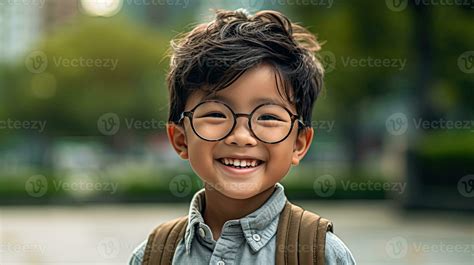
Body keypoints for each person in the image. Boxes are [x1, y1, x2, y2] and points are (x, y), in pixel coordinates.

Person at [130, 8, 356, 265]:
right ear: (181, 139)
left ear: (299, 143)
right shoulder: (155, 256)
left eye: (268, 117)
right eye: (216, 114)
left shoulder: (320, 254)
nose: (241, 137)